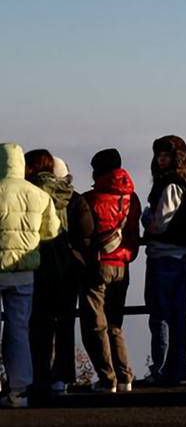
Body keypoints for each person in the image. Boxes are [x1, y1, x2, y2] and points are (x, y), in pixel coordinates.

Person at [142, 135, 186, 387]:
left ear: (175, 158)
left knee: (160, 313)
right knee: (178, 313)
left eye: (166, 156)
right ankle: (176, 369)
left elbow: (160, 223)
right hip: (184, 255)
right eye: (159, 155)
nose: (161, 160)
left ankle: (161, 370)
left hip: (164, 255)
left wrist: (146, 218)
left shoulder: (171, 184)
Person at [0, 143, 61, 408]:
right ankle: (18, 392)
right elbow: (51, 232)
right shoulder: (37, 194)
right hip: (25, 272)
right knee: (19, 329)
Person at [77, 149, 142, 394]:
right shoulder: (131, 198)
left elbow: (83, 234)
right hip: (122, 266)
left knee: (95, 326)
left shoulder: (90, 199)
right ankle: (125, 378)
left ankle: (107, 380)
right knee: (115, 324)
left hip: (98, 265)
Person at [24, 150, 80, 395]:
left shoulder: (32, 194)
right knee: (65, 324)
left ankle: (39, 377)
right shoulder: (73, 196)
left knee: (39, 324)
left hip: (39, 265)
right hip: (68, 266)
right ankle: (63, 378)